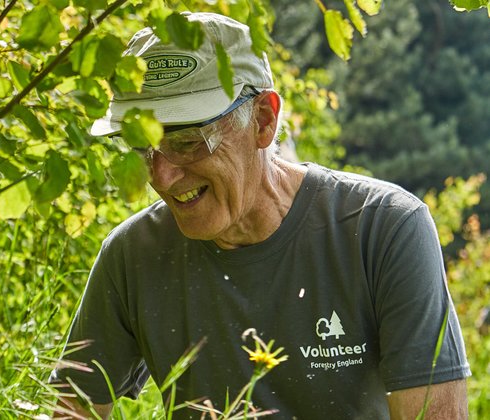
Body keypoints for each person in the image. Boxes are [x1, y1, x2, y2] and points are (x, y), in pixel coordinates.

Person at [50, 12, 470, 419]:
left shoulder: (383, 229)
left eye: (187, 141)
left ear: (263, 120)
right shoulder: (132, 255)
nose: (161, 175)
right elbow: (70, 412)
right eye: (142, 147)